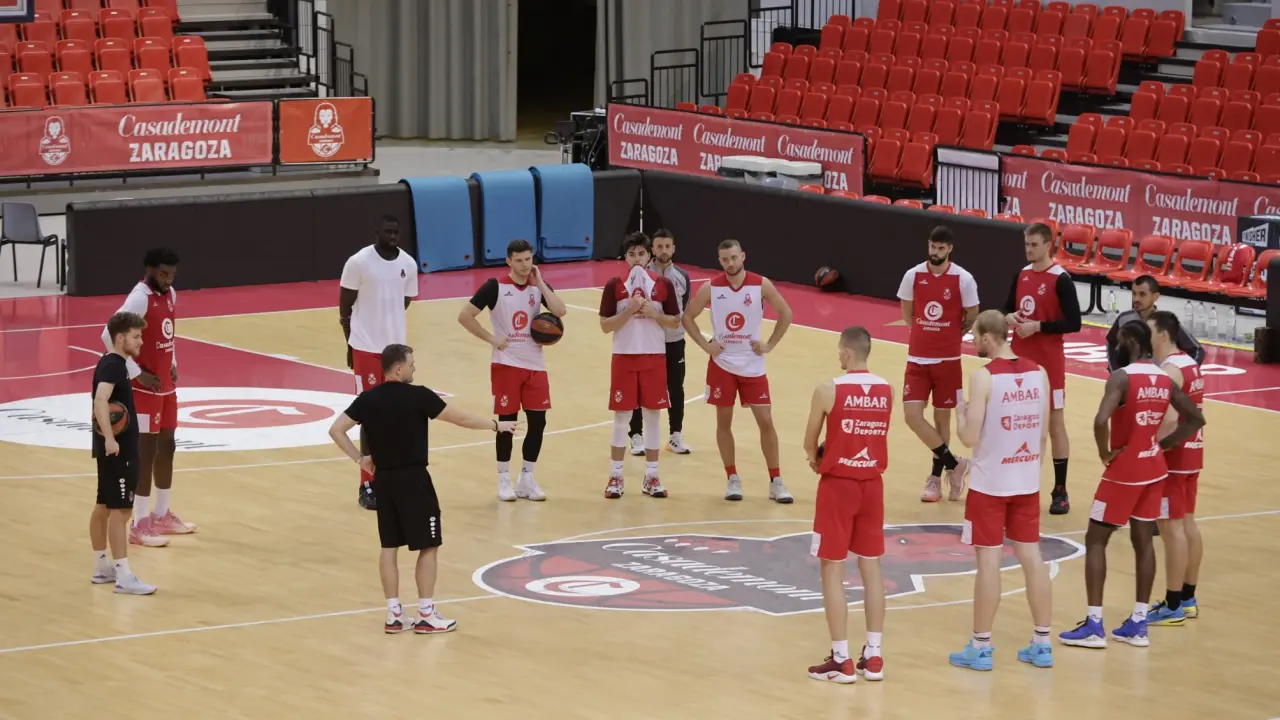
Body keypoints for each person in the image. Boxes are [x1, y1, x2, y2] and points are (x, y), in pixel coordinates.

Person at [326, 344, 519, 634]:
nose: (414, 368)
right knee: (429, 545)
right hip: (414, 480)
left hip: (384, 482)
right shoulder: (418, 396)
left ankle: (393, 614)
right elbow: (460, 419)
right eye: (411, 364)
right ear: (399, 368)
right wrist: (495, 425)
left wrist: (360, 459)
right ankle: (426, 613)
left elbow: (336, 429)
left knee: (389, 547)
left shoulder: (368, 399)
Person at [1059, 322, 1205, 649]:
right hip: (1154, 468)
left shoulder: (1122, 377)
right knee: (1143, 543)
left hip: (1124, 470)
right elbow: (1196, 418)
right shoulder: (1164, 378)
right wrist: (1165, 444)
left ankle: (1094, 625)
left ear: (1130, 342)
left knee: (1096, 539)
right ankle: (1139, 623)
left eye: (1118, 341)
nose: (1115, 347)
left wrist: (1104, 452)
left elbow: (1100, 420)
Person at [949, 310, 1054, 671]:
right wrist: (1030, 471)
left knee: (989, 562)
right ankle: (1043, 644)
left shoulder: (983, 377)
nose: (974, 343)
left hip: (990, 483)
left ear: (987, 338)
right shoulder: (1040, 373)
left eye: (975, 337)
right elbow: (1043, 434)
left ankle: (980, 647)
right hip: (1026, 479)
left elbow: (969, 437)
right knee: (1032, 558)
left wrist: (959, 415)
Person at [803, 326, 888, 684]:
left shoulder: (828, 389)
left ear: (848, 352)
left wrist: (816, 460)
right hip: (872, 484)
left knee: (832, 569)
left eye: (840, 350)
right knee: (872, 568)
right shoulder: (886, 389)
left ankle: (841, 659)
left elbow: (810, 442)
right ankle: (874, 655)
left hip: (838, 486)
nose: (838, 355)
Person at [683, 239, 795, 503]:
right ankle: (732, 478)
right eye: (725, 259)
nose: (730, 263)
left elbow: (786, 313)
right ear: (719, 261)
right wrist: (706, 345)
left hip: (752, 364)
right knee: (724, 422)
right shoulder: (711, 287)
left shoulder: (761, 284)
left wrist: (769, 345)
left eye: (734, 258)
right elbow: (687, 317)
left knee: (765, 421)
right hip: (722, 363)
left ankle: (776, 481)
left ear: (743, 256)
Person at [457, 239, 566, 502]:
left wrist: (541, 283)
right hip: (506, 364)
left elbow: (560, 311)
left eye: (528, 259)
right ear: (508, 261)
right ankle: (503, 478)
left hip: (535, 365)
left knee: (538, 423)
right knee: (507, 422)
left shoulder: (537, 286)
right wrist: (491, 338)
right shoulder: (495, 286)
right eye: (519, 260)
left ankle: (527, 478)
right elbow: (464, 316)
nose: (525, 265)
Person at [101, 248, 190, 548]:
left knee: (168, 446)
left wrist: (173, 362)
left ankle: (161, 515)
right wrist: (135, 373)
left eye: (172, 275)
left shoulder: (170, 294)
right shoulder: (139, 297)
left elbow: (168, 335)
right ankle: (139, 524)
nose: (168, 280)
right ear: (149, 270)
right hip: (144, 389)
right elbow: (108, 334)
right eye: (163, 274)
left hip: (166, 386)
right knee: (146, 451)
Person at [339, 215, 420, 510]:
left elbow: (404, 301)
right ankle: (367, 484)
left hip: (395, 351)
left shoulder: (408, 264)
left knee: (396, 416)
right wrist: (350, 343)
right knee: (370, 417)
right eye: (388, 232)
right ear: (377, 232)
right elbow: (345, 307)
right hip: (366, 348)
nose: (393, 236)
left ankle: (392, 479)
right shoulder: (358, 262)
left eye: (397, 232)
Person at [896, 226, 980, 503]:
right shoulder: (913, 275)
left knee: (942, 419)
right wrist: (924, 333)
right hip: (917, 358)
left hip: (948, 360)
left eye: (941, 248)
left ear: (950, 249)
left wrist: (954, 334)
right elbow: (907, 312)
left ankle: (934, 479)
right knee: (912, 415)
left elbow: (972, 313)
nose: (935, 251)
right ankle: (955, 464)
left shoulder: (963, 279)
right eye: (933, 246)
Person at [1003, 223, 1082, 516]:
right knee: (1018, 424)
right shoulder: (1021, 274)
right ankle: (1018, 487)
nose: (1029, 249)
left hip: (1049, 365)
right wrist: (1009, 317)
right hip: (1019, 362)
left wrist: (1039, 326)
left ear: (1048, 245)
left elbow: (1074, 323)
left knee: (1054, 425)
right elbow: (1006, 308)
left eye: (1034, 244)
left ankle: (1060, 490)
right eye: (1026, 244)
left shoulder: (1061, 279)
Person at [598, 232, 682, 499]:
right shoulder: (614, 285)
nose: (637, 258)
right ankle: (615, 476)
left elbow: (675, 321)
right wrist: (629, 310)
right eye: (632, 254)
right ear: (625, 257)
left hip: (654, 357)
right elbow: (605, 325)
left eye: (641, 253)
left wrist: (653, 313)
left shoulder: (663, 284)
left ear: (649, 256)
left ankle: (652, 476)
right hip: (624, 356)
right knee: (622, 417)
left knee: (653, 416)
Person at [1145, 311, 1206, 626]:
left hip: (1175, 457)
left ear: (1163, 334)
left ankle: (1172, 605)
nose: (1146, 336)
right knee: (1188, 525)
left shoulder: (1170, 369)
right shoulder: (1190, 363)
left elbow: (1169, 419)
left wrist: (1151, 447)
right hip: (1193, 453)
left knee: (1171, 530)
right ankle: (1188, 598)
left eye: (1149, 331)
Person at [91, 311, 157, 595]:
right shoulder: (115, 366)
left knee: (104, 506)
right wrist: (110, 438)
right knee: (121, 511)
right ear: (120, 338)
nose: (141, 341)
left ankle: (101, 567)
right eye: (136, 336)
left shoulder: (110, 362)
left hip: (112, 447)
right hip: (118, 449)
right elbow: (100, 400)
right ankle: (124, 576)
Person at [628, 229, 694, 456]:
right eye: (659, 246)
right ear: (652, 250)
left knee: (676, 388)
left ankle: (675, 435)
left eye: (667, 246)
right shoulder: (641, 275)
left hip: (674, 340)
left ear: (673, 249)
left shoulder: (683, 276)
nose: (663, 250)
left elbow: (683, 309)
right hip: (647, 341)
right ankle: (636, 435)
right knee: (640, 388)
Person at [1105, 275, 1204, 371]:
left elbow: (1197, 350)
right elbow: (1111, 343)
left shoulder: (1165, 321)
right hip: (1132, 377)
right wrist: (1114, 370)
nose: (1136, 299)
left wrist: (1184, 374)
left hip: (1159, 379)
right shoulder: (1124, 318)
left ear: (1155, 297)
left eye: (1142, 294)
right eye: (1134, 293)